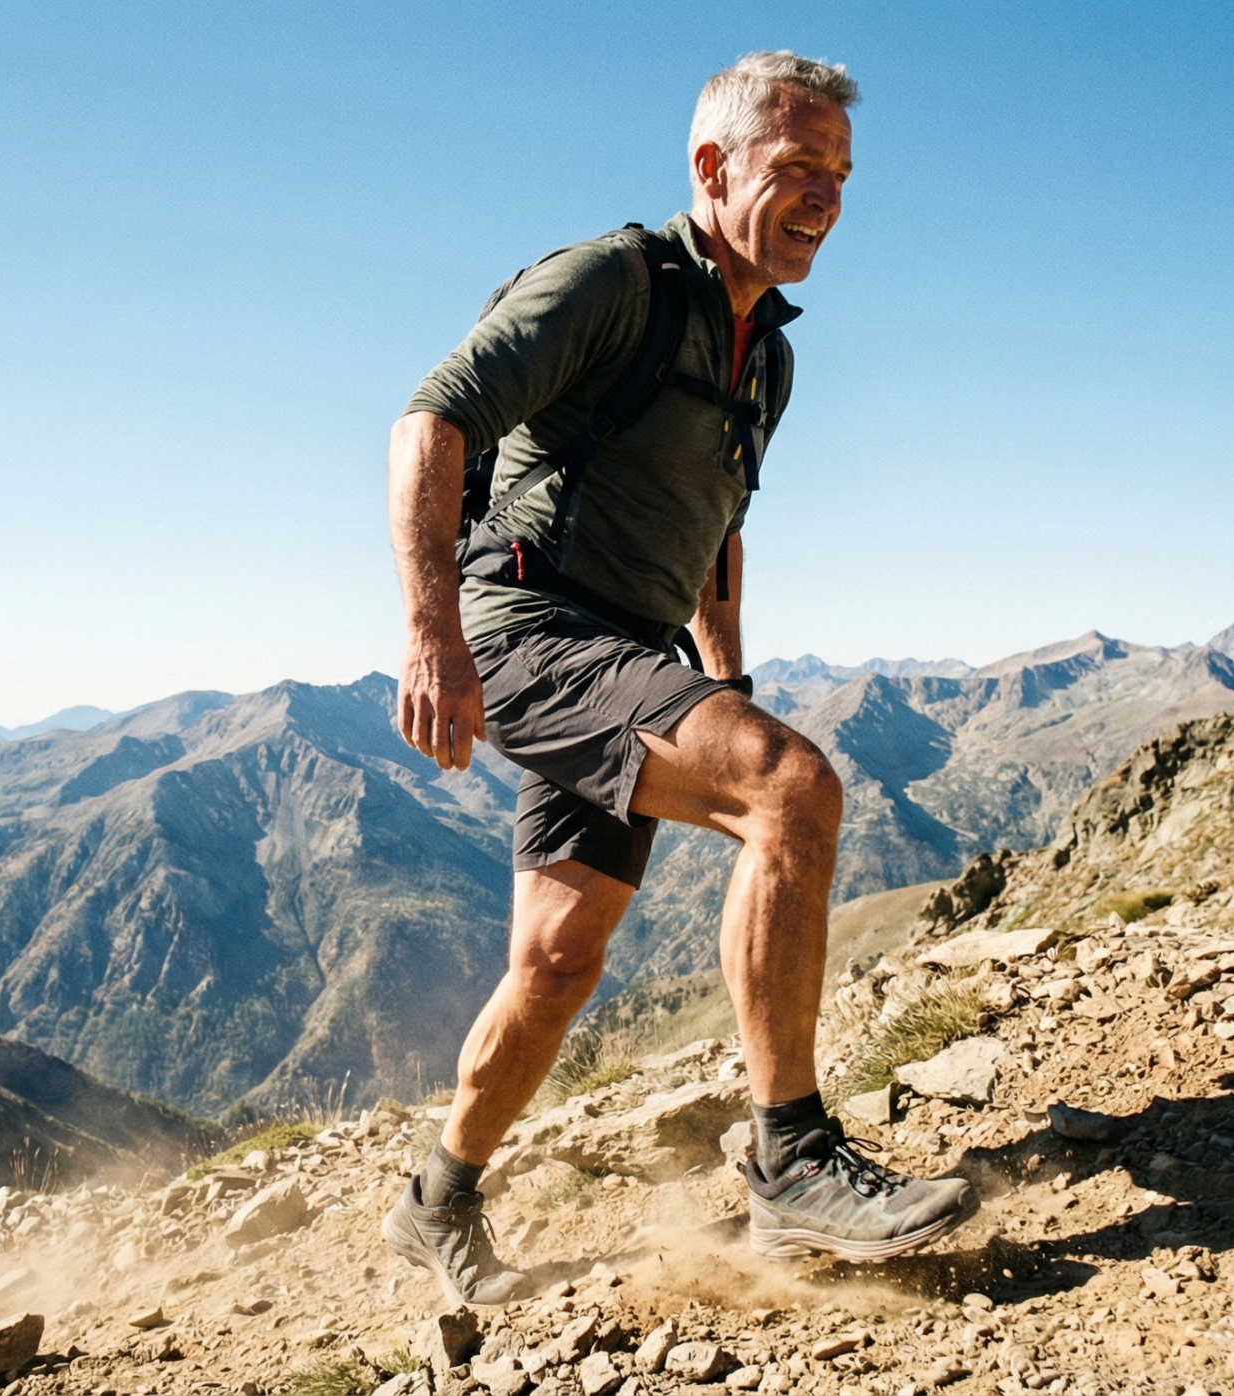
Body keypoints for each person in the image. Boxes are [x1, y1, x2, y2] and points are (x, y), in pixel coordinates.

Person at [381, 52, 976, 1306]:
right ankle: (793, 1158)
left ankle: (433, 1196)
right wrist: (433, 632)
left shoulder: (770, 354)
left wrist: (729, 678)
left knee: (555, 960)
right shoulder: (614, 282)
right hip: (528, 627)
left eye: (842, 175)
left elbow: (717, 528)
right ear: (713, 168)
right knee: (792, 792)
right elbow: (430, 420)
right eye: (797, 165)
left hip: (630, 656)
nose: (825, 196)